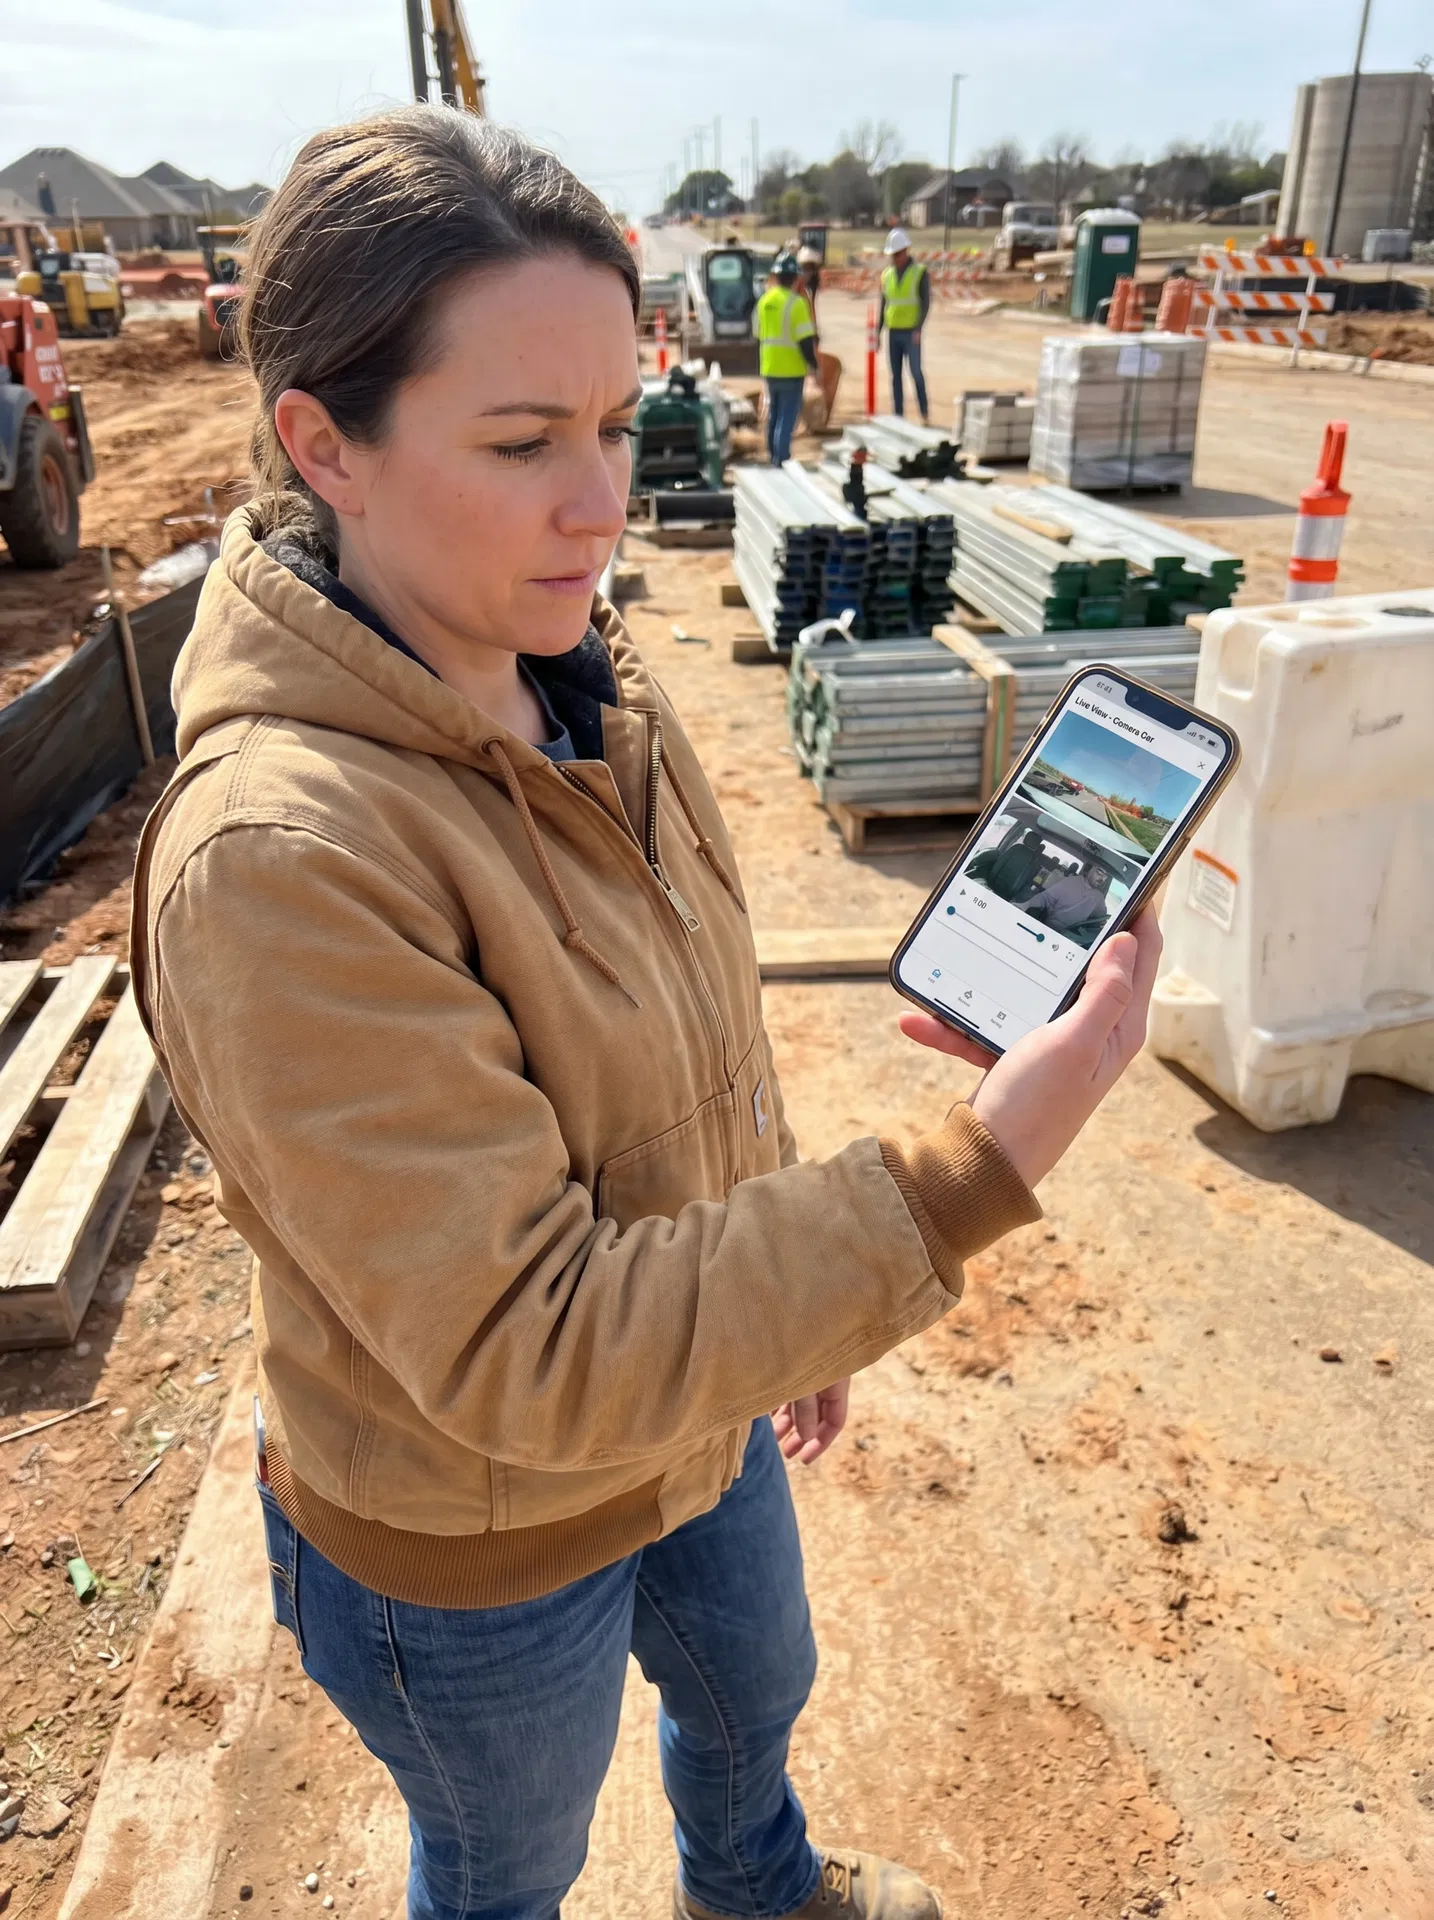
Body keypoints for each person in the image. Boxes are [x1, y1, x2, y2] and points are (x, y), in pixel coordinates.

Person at [129, 107, 1160, 1920]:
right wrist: (959, 1175)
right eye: (523, 441)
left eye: (611, 424)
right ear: (324, 445)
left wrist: (804, 1293)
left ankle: (754, 1890)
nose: (602, 503)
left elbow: (694, 1023)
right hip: (471, 1532)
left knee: (753, 1701)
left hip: (698, 1414)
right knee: (504, 1864)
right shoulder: (280, 860)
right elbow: (526, 1351)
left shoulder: (578, 678)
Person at [756, 251, 818, 465]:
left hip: (770, 366)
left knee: (774, 413)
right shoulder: (797, 303)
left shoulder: (764, 301)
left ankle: (773, 454)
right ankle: (781, 459)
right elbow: (805, 341)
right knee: (787, 415)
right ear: (795, 278)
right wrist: (813, 364)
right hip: (791, 369)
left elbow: (758, 334)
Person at [876, 228, 930, 423]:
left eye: (898, 254)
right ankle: (898, 415)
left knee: (915, 372)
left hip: (911, 332)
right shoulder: (887, 275)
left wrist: (918, 328)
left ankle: (924, 412)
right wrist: (878, 331)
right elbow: (883, 303)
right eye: (892, 255)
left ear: (906, 250)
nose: (895, 258)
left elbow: (925, 304)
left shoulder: (920, 272)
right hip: (893, 332)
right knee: (895, 377)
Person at [796, 244, 843, 428]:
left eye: (812, 269)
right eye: (807, 268)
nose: (810, 273)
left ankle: (810, 414)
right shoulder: (797, 289)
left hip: (809, 336)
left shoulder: (808, 288)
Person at [1022, 860, 1114, 946]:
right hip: (1048, 931)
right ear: (1090, 869)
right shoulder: (1070, 882)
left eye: (1105, 876)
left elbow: (1100, 922)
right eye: (1100, 872)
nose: (1102, 878)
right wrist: (1025, 905)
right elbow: (1045, 898)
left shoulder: (1099, 898)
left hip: (1071, 941)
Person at [967, 828, 1047, 903]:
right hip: (1008, 895)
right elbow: (1027, 881)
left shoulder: (1015, 849)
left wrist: (992, 877)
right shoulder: (1033, 860)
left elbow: (998, 864)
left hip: (992, 883)